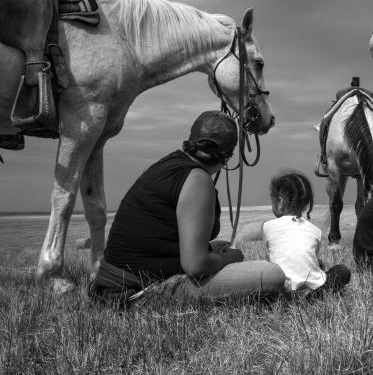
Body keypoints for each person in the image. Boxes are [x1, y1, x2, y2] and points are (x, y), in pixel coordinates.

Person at [88, 110, 285, 306]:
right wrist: (231, 258)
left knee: (221, 246)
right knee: (270, 275)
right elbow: (195, 265)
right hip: (133, 292)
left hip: (112, 282)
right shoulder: (198, 180)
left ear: (191, 139)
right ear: (228, 156)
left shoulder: (172, 163)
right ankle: (160, 294)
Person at [243, 171, 351, 297]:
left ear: (280, 202)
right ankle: (317, 295)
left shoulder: (267, 226)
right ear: (306, 205)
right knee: (342, 271)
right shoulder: (315, 231)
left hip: (281, 292)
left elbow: (273, 257)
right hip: (312, 291)